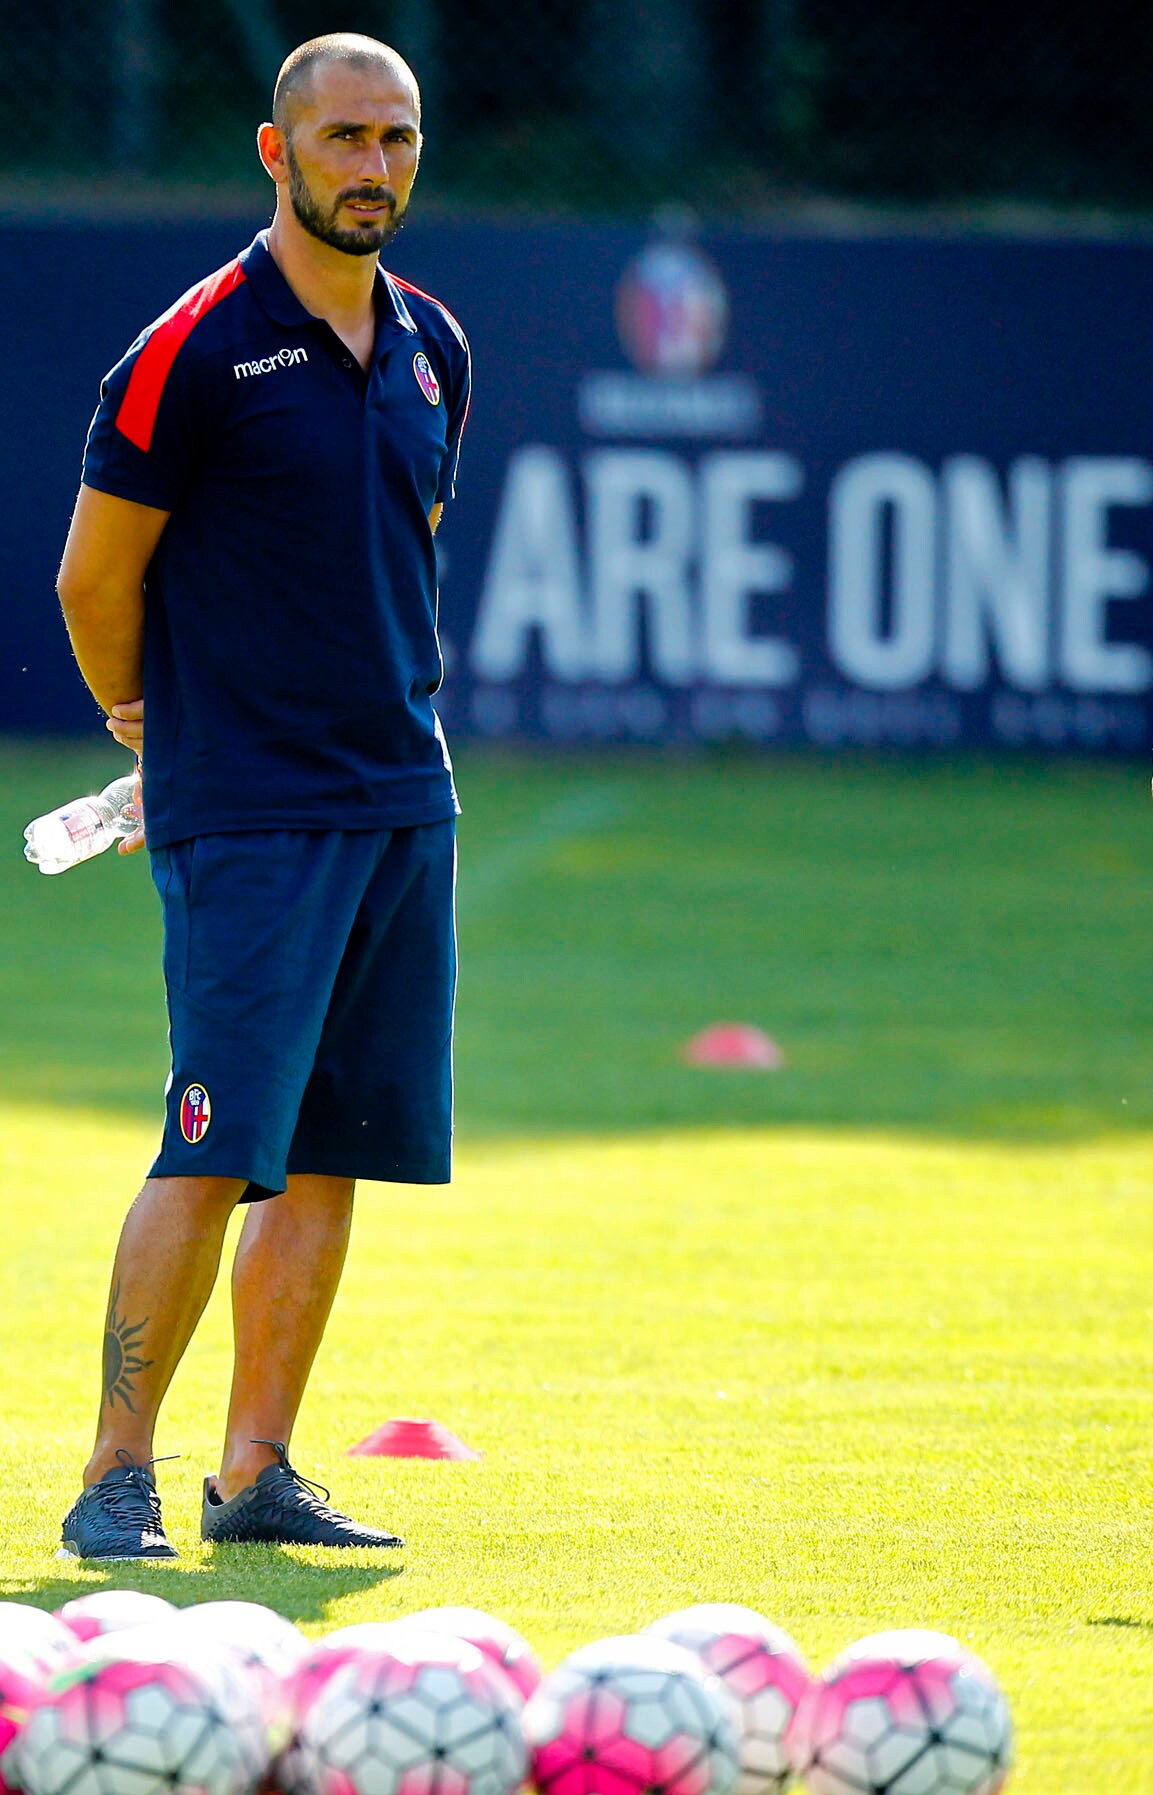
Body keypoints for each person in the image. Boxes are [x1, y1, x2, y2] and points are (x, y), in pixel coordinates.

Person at [54, 31, 470, 1559]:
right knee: (216, 1140)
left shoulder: (433, 343)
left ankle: (256, 1472)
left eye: (397, 137)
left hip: (401, 800)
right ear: (275, 151)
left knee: (334, 1144)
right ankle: (115, 1475)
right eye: (345, 136)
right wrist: (144, 718)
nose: (375, 165)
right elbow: (94, 577)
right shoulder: (195, 348)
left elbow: (407, 539)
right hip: (247, 809)